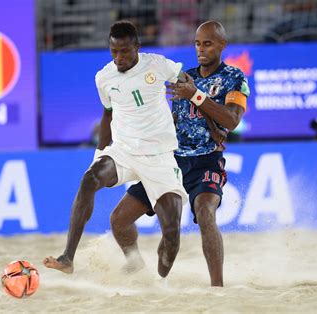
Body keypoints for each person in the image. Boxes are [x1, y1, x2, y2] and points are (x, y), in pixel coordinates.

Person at [43, 21, 188, 279]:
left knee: (172, 233)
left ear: (137, 48)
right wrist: (99, 154)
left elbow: (186, 81)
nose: (119, 58)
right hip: (124, 151)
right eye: (114, 52)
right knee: (89, 180)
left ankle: (158, 281)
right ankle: (68, 257)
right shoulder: (104, 77)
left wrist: (191, 97)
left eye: (125, 51)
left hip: (160, 157)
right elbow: (108, 114)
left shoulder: (157, 64)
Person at [109, 21, 250, 286]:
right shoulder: (184, 76)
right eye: (197, 43)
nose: (201, 49)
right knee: (118, 220)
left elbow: (232, 120)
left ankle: (217, 289)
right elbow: (176, 119)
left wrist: (196, 96)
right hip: (170, 161)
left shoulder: (235, 78)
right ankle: (136, 263)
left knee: (206, 213)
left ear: (222, 45)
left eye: (207, 43)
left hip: (207, 160)